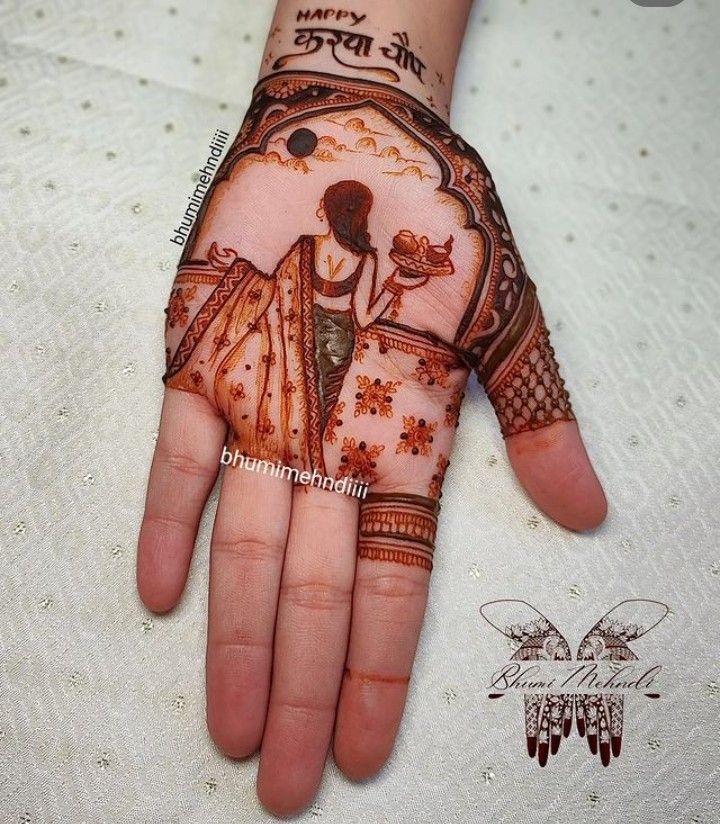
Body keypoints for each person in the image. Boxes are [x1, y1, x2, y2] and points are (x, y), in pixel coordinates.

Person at [138, 0, 608, 816]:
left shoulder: (317, 243)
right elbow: (351, 313)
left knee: (296, 414)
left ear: (333, 211)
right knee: (314, 414)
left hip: (307, 338)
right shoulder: (355, 251)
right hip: (335, 348)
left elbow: (290, 284)